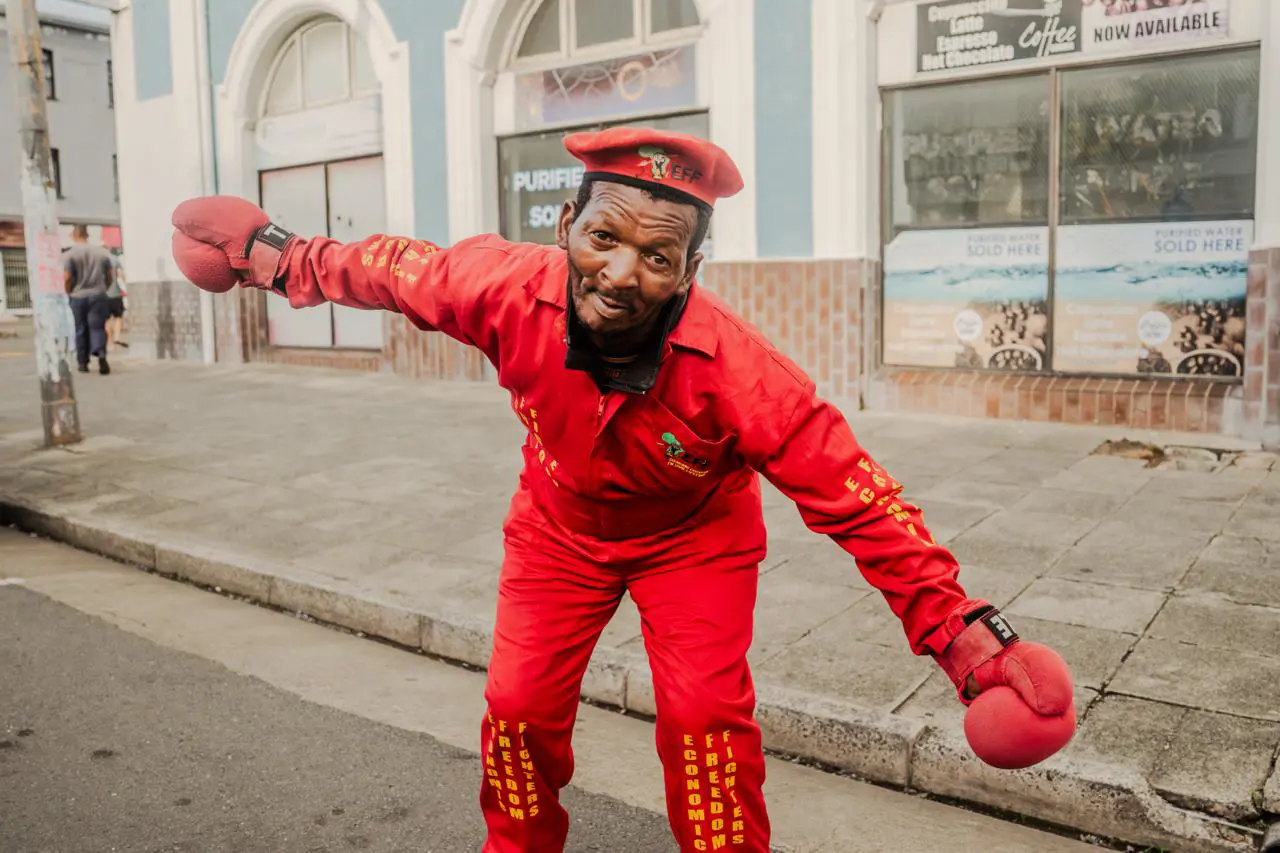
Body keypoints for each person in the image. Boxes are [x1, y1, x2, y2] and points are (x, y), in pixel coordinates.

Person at [169, 128, 1076, 853]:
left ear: (690, 271)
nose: (622, 272)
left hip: (696, 542)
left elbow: (857, 495)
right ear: (567, 225)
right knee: (516, 709)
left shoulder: (741, 374)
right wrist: (276, 255)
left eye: (658, 255)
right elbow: (390, 270)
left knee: (705, 722)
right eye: (604, 237)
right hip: (556, 530)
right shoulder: (499, 287)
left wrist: (964, 639)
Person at [63, 224, 114, 374]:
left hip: (78, 296)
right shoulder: (102, 253)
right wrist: (105, 287)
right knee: (97, 327)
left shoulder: (70, 255)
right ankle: (101, 355)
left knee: (80, 329)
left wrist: (68, 291)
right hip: (98, 295)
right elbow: (110, 274)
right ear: (87, 235)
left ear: (73, 235)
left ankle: (82, 363)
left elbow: (66, 277)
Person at [105, 250, 128, 352]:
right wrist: (125, 285)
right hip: (116, 293)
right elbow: (121, 274)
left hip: (104, 294)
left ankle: (110, 340)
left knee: (107, 319)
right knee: (118, 316)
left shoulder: (99, 259)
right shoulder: (115, 259)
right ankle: (117, 337)